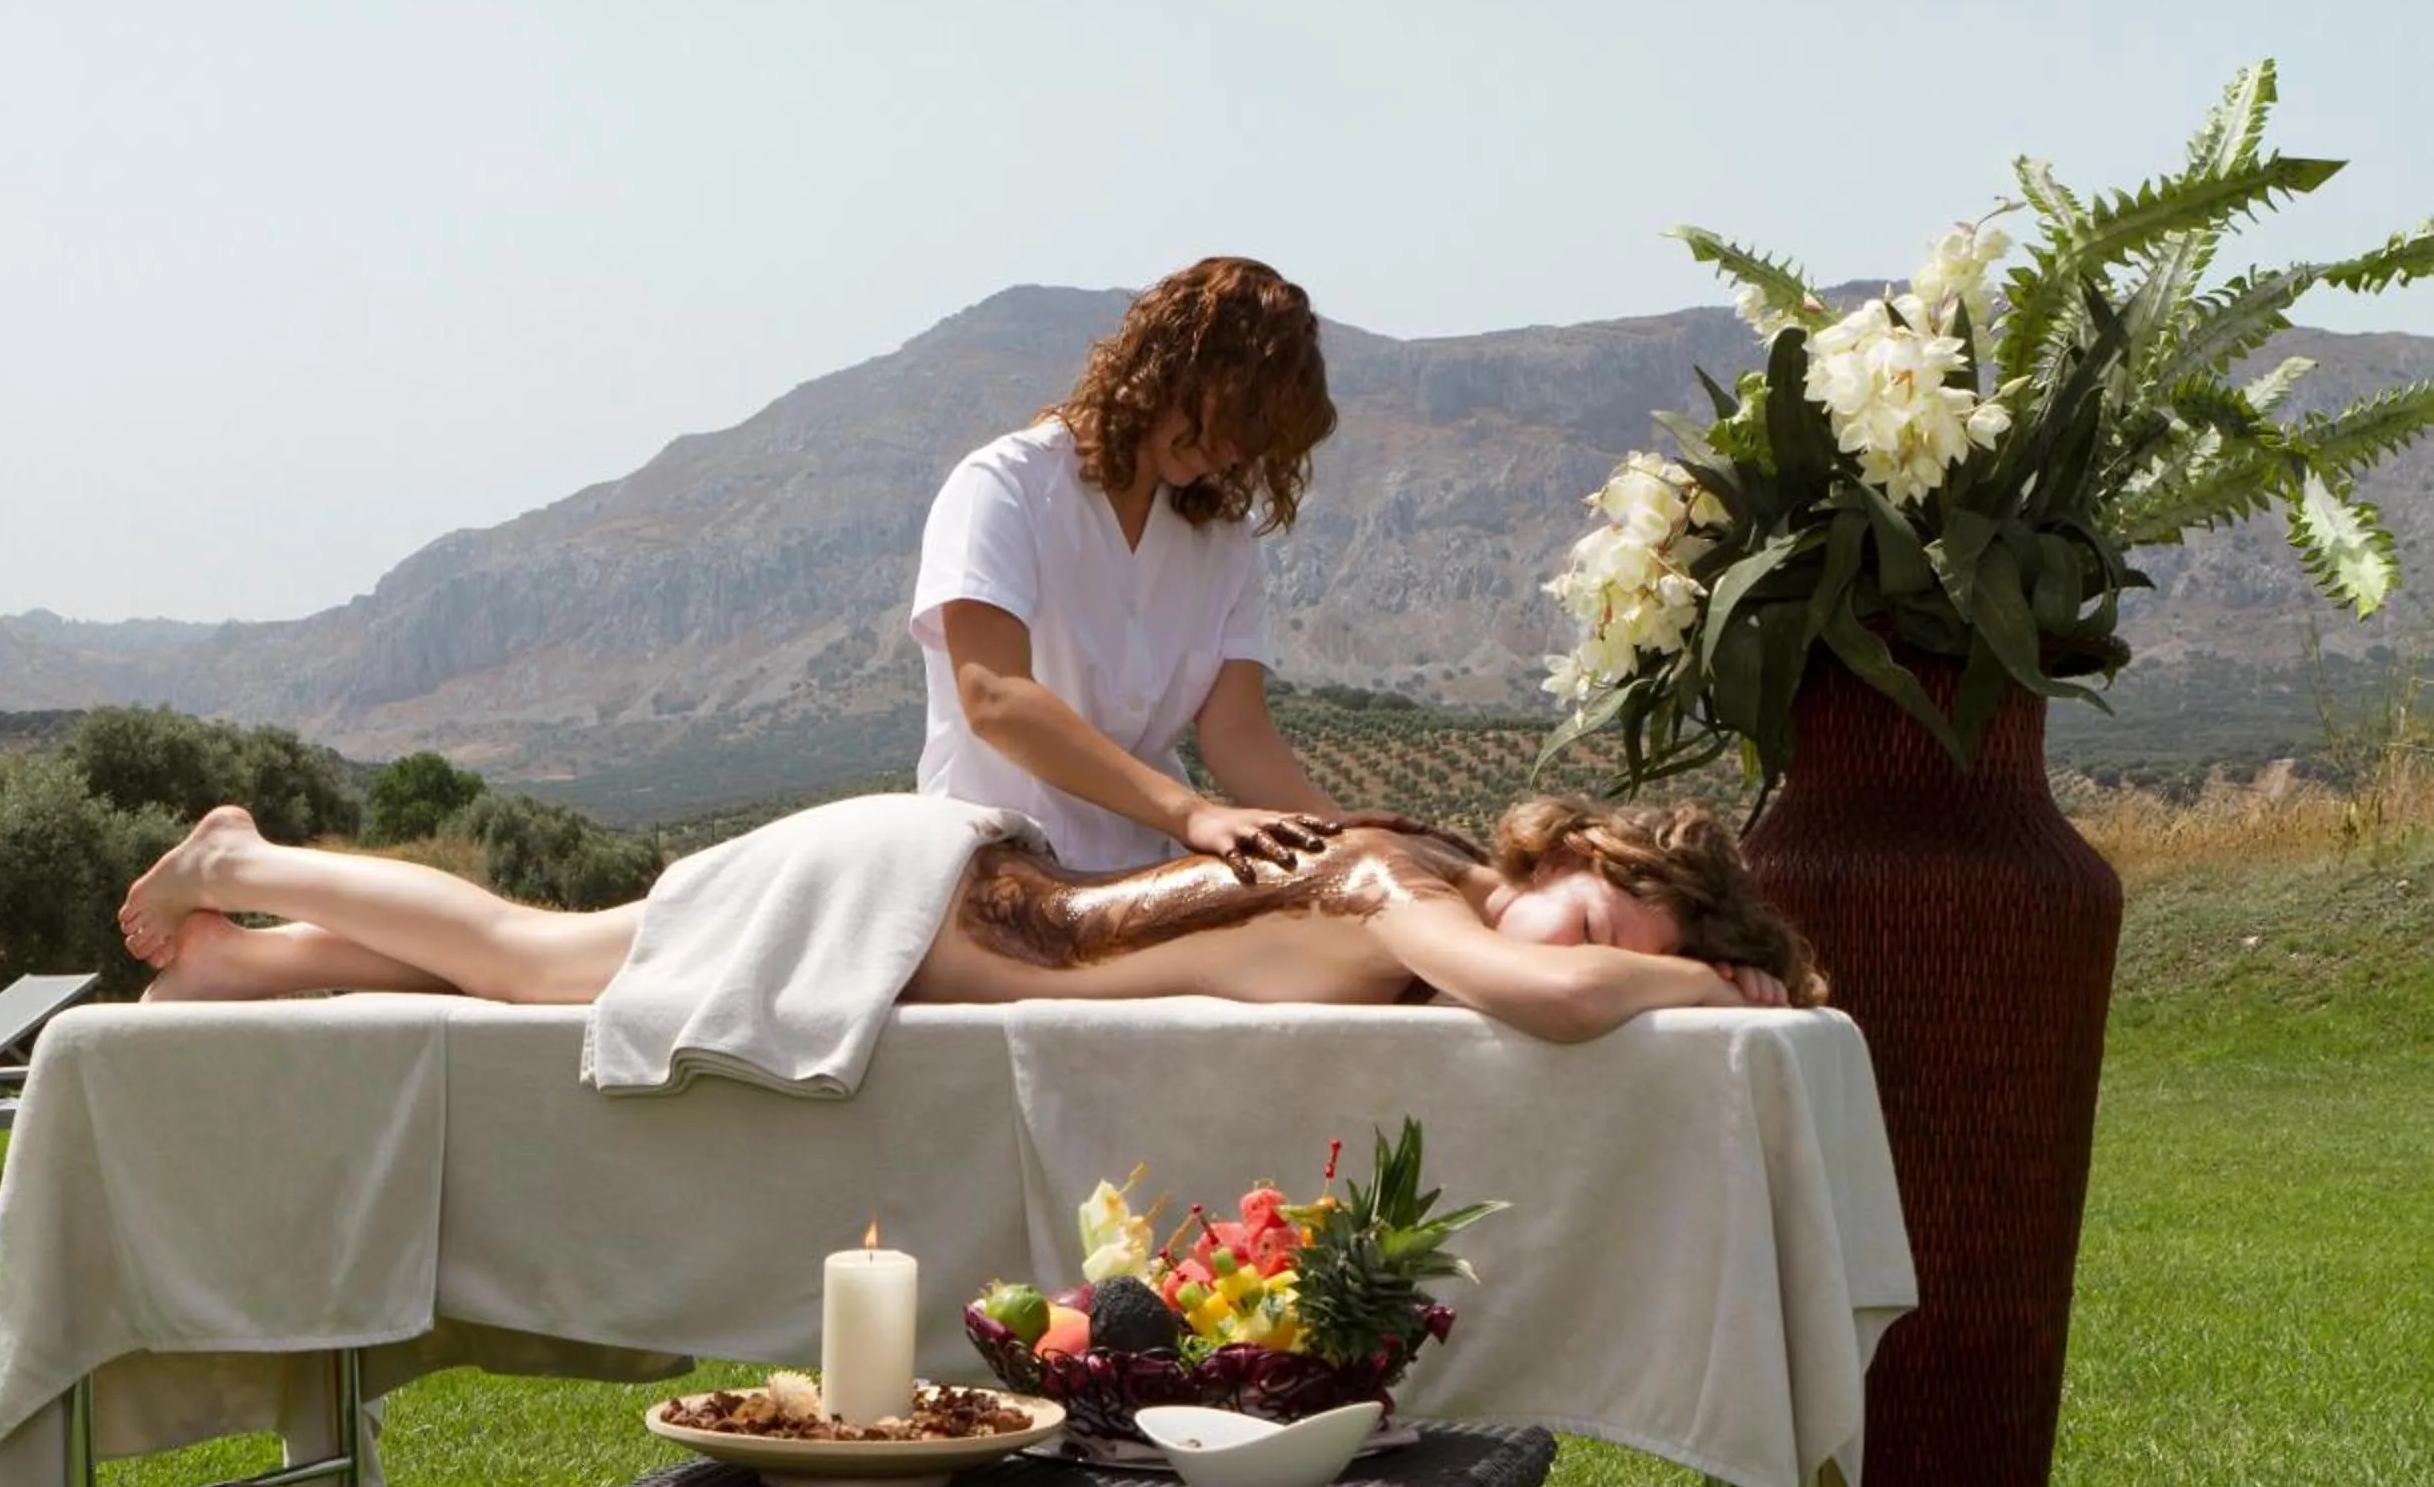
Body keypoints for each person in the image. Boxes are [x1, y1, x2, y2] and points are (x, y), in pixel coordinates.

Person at [115, 794, 1820, 1038]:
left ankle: (232, 966)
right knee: (533, 956)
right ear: (1562, 865)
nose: (1591, 954)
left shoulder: (1425, 890)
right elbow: (1540, 1004)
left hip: (935, 912)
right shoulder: (1412, 892)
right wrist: (1729, 1002)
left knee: (534, 980)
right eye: (1603, 919)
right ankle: (239, 862)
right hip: (903, 896)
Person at [912, 256, 1348, 881]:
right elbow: (995, 697)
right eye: (1234, 417)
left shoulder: (1223, 539)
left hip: (1150, 868)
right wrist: (1189, 814)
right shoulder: (1005, 486)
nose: (1237, 449)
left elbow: (1237, 732)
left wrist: (1349, 836)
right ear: (1171, 367)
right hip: (999, 865)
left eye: (1259, 436)